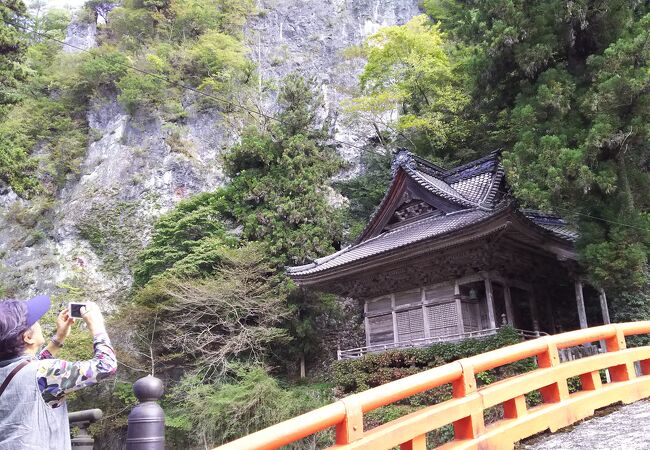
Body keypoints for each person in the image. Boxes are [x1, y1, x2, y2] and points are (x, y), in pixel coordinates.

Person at [0, 296, 117, 449]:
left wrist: (59, 338)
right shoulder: (43, 373)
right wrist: (97, 325)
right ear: (27, 337)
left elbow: (28, 372)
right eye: (35, 321)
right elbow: (105, 366)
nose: (39, 323)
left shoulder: (10, 370)